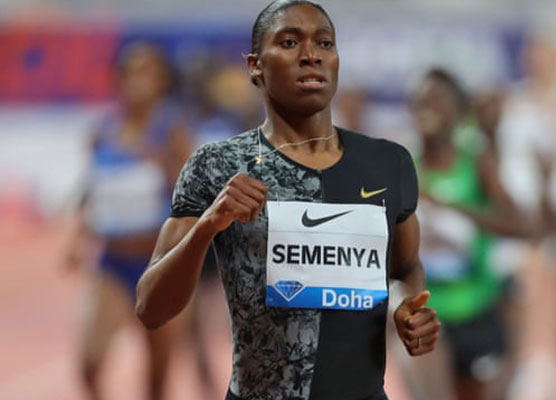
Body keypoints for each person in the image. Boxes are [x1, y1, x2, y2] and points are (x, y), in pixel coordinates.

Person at [134, 2, 440, 400]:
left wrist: (406, 308)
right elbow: (151, 308)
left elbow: (405, 268)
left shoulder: (388, 163)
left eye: (324, 43)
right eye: (290, 42)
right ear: (255, 66)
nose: (311, 54)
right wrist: (208, 224)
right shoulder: (217, 165)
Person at [65, 42, 193, 399]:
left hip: (159, 263)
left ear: (161, 81)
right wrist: (78, 238)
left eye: (147, 72)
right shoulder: (102, 130)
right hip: (112, 261)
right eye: (131, 72)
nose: (138, 80)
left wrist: (161, 162)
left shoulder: (172, 129)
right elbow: (92, 187)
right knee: (89, 363)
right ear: (118, 79)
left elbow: (195, 191)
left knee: (157, 372)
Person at [408, 68, 525, 400]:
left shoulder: (476, 163)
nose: (427, 108)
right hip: (430, 310)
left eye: (437, 100)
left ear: (457, 112)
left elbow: (520, 225)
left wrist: (452, 207)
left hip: (478, 306)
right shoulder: (406, 167)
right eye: (420, 101)